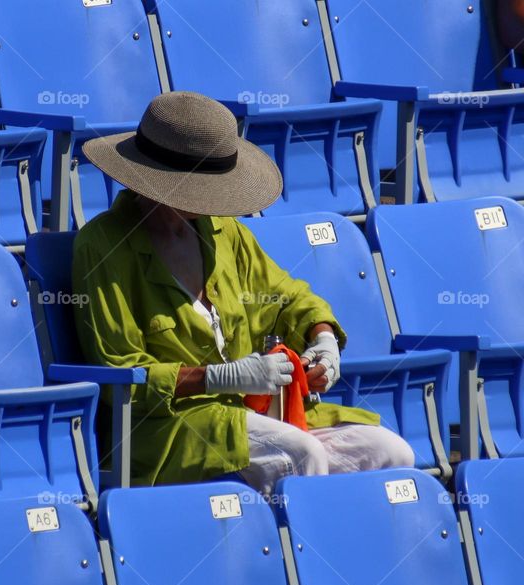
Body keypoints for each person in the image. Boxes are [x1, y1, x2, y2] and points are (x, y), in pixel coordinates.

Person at [72, 91, 414, 495]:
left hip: (252, 413)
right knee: (300, 455)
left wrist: (321, 337)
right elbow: (121, 375)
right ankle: (295, 555)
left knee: (390, 453)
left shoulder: (224, 230)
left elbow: (287, 296)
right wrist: (219, 378)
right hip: (166, 431)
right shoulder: (102, 246)